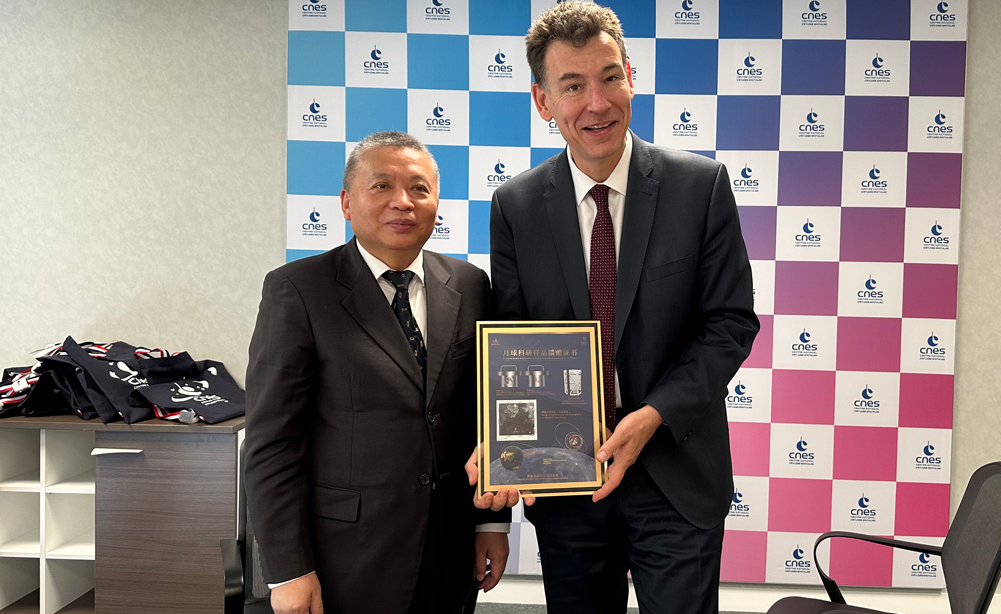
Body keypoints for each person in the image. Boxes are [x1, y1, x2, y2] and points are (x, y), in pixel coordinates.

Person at [470, 3, 760, 613]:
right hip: (565, 475)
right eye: (572, 86)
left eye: (609, 77)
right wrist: (502, 442)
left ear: (631, 75)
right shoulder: (515, 206)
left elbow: (729, 322)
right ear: (543, 101)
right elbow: (516, 342)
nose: (596, 103)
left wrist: (653, 413)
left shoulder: (699, 187)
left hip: (675, 472)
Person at [245, 131, 509, 614]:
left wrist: (489, 524)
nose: (402, 202)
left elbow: (482, 415)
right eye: (381, 186)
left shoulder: (470, 285)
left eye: (419, 188)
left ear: (437, 204)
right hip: (344, 554)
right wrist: (287, 569)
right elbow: (273, 442)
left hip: (449, 546)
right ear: (346, 202)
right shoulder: (298, 290)